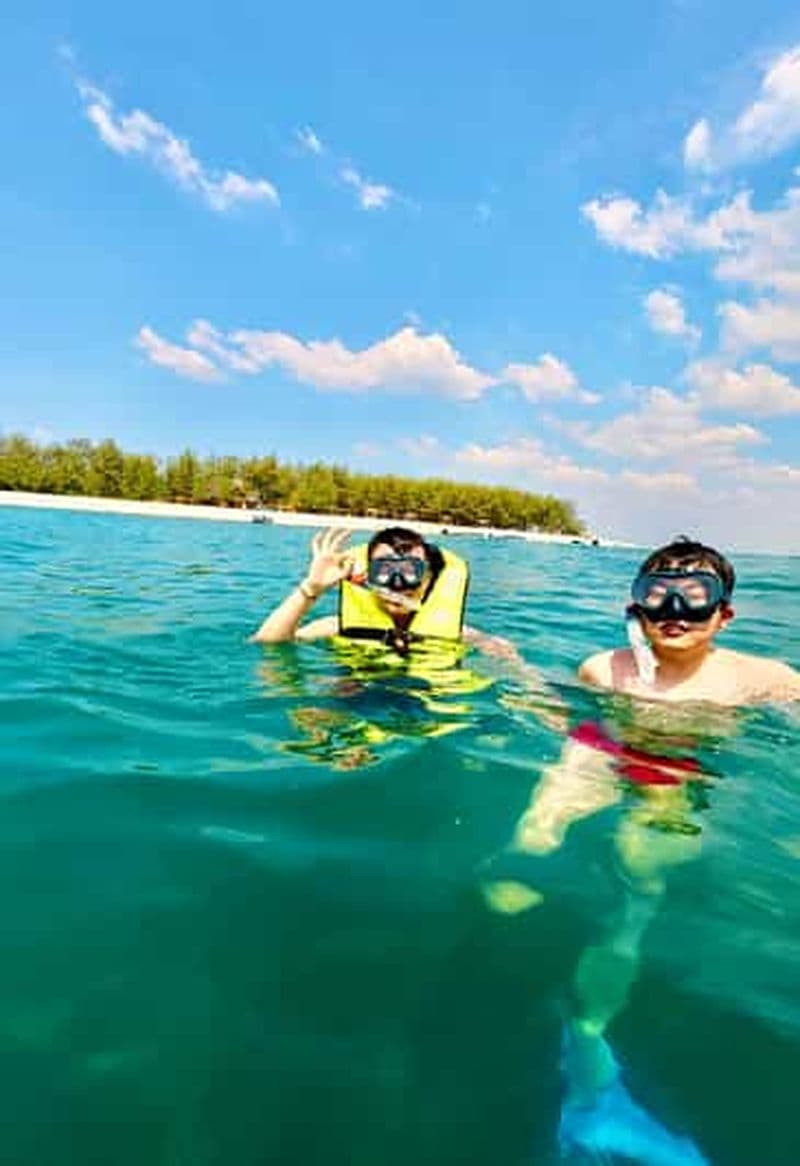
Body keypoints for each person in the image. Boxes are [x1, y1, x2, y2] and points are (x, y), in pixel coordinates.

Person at [579, 537, 800, 705]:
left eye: (695, 597)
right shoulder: (602, 672)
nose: (674, 610)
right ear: (637, 611)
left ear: (724, 617)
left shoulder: (764, 680)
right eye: (657, 595)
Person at [252, 525, 520, 661]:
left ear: (429, 577)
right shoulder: (335, 627)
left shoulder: (463, 635)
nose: (397, 583)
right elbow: (267, 644)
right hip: (353, 706)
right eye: (384, 571)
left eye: (411, 571)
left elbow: (519, 672)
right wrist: (310, 589)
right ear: (367, 576)